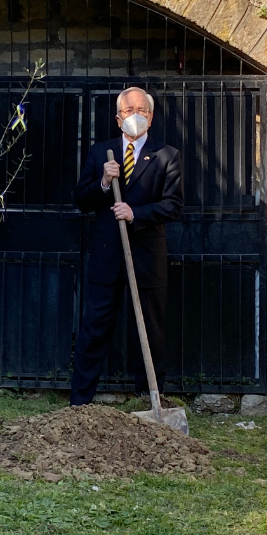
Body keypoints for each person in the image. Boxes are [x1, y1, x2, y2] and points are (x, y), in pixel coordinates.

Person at [70, 86, 183, 405]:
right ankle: (80, 402)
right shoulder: (100, 153)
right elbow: (81, 200)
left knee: (151, 332)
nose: (136, 116)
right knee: (94, 329)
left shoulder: (167, 156)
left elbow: (174, 205)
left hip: (147, 258)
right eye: (129, 111)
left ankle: (150, 400)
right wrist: (104, 183)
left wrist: (137, 214)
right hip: (108, 257)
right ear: (118, 119)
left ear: (152, 117)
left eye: (142, 110)